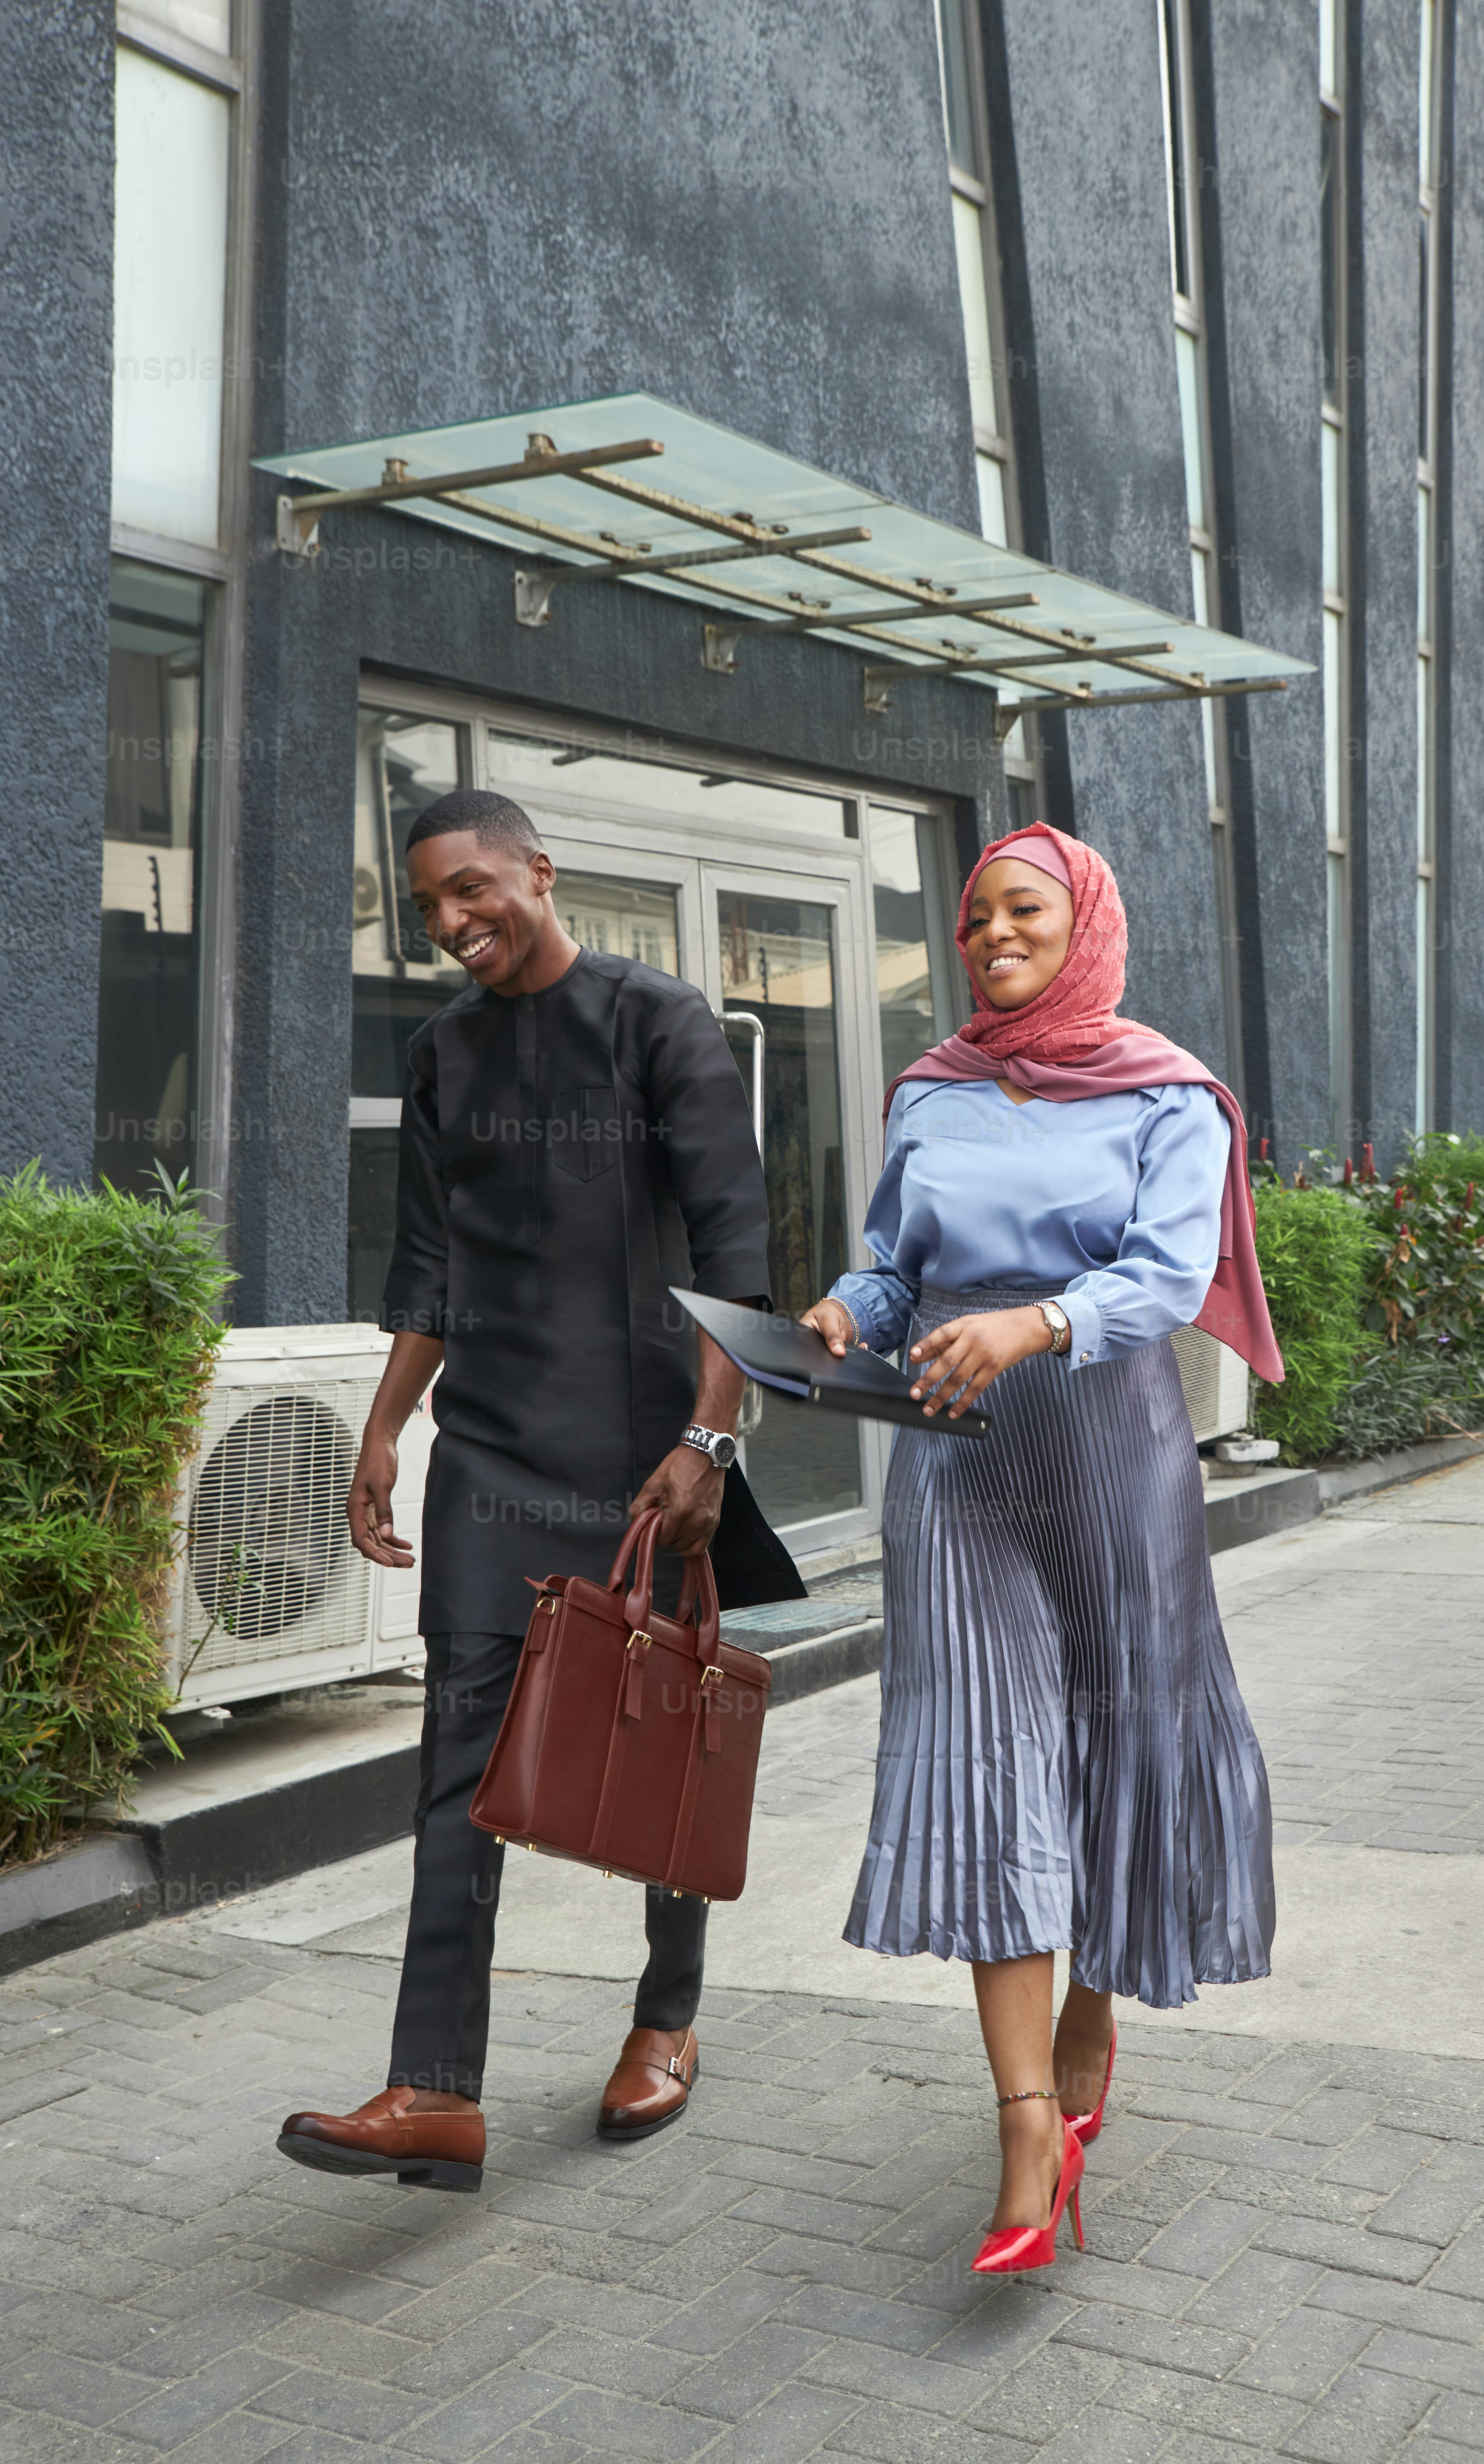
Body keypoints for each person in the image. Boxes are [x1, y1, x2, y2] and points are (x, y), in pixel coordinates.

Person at [278, 789, 803, 2192]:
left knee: (660, 1729)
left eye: (470, 891)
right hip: (492, 1451)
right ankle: (436, 2091)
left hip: (644, 1451)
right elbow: (427, 1268)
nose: (451, 923)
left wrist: (711, 1442)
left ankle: (668, 2016)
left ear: (537, 873)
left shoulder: (660, 1024)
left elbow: (737, 1254)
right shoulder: (443, 1053)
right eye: (429, 906)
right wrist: (389, 1427)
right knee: (458, 1759)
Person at [802, 821, 1281, 2274]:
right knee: (986, 1746)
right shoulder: (932, 1092)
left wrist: (1036, 1320)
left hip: (1109, 1449)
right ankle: (1025, 2130)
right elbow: (894, 1266)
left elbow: (1166, 1276)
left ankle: (1096, 2001)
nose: (992, 935)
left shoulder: (1167, 1094)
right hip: (958, 1464)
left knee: (1122, 1740)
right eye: (972, 917)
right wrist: (843, 1313)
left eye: (1022, 909)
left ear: (1083, 923)